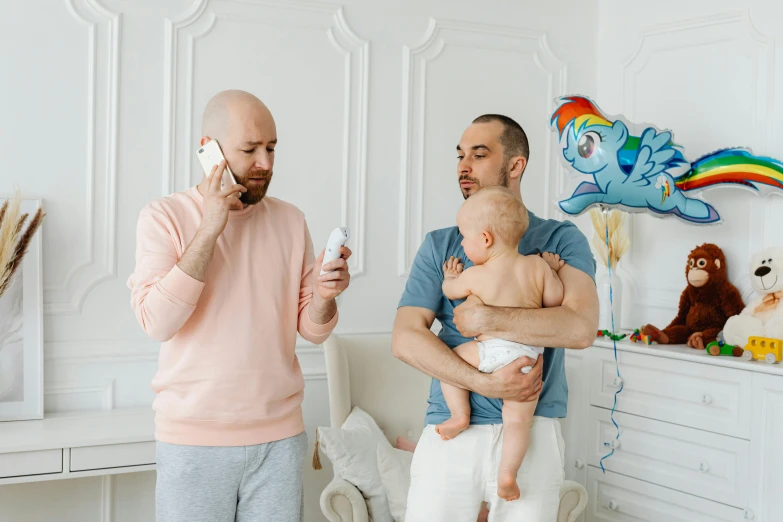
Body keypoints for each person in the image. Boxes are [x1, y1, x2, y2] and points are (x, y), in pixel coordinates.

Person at [127, 89, 351, 522]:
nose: (266, 163)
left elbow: (311, 328)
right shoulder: (163, 216)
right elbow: (157, 321)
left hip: (279, 441)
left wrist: (324, 296)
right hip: (193, 441)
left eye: (271, 148)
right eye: (250, 150)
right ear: (208, 149)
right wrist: (211, 226)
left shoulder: (290, 220)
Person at [392, 114, 598, 521]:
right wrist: (485, 383)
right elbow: (404, 339)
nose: (463, 166)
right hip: (451, 435)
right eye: (460, 155)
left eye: (479, 154)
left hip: (532, 427)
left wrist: (487, 318)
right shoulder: (443, 243)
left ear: (515, 165)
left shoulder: (561, 239)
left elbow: (580, 328)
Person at [436, 186, 566, 502]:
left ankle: (459, 415)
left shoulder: (476, 274)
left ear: (485, 239)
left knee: (449, 363)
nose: (463, 245)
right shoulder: (536, 268)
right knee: (518, 421)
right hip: (527, 357)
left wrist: (450, 276)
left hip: (488, 350)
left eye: (465, 238)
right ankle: (508, 475)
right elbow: (555, 300)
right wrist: (554, 270)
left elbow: (450, 291)